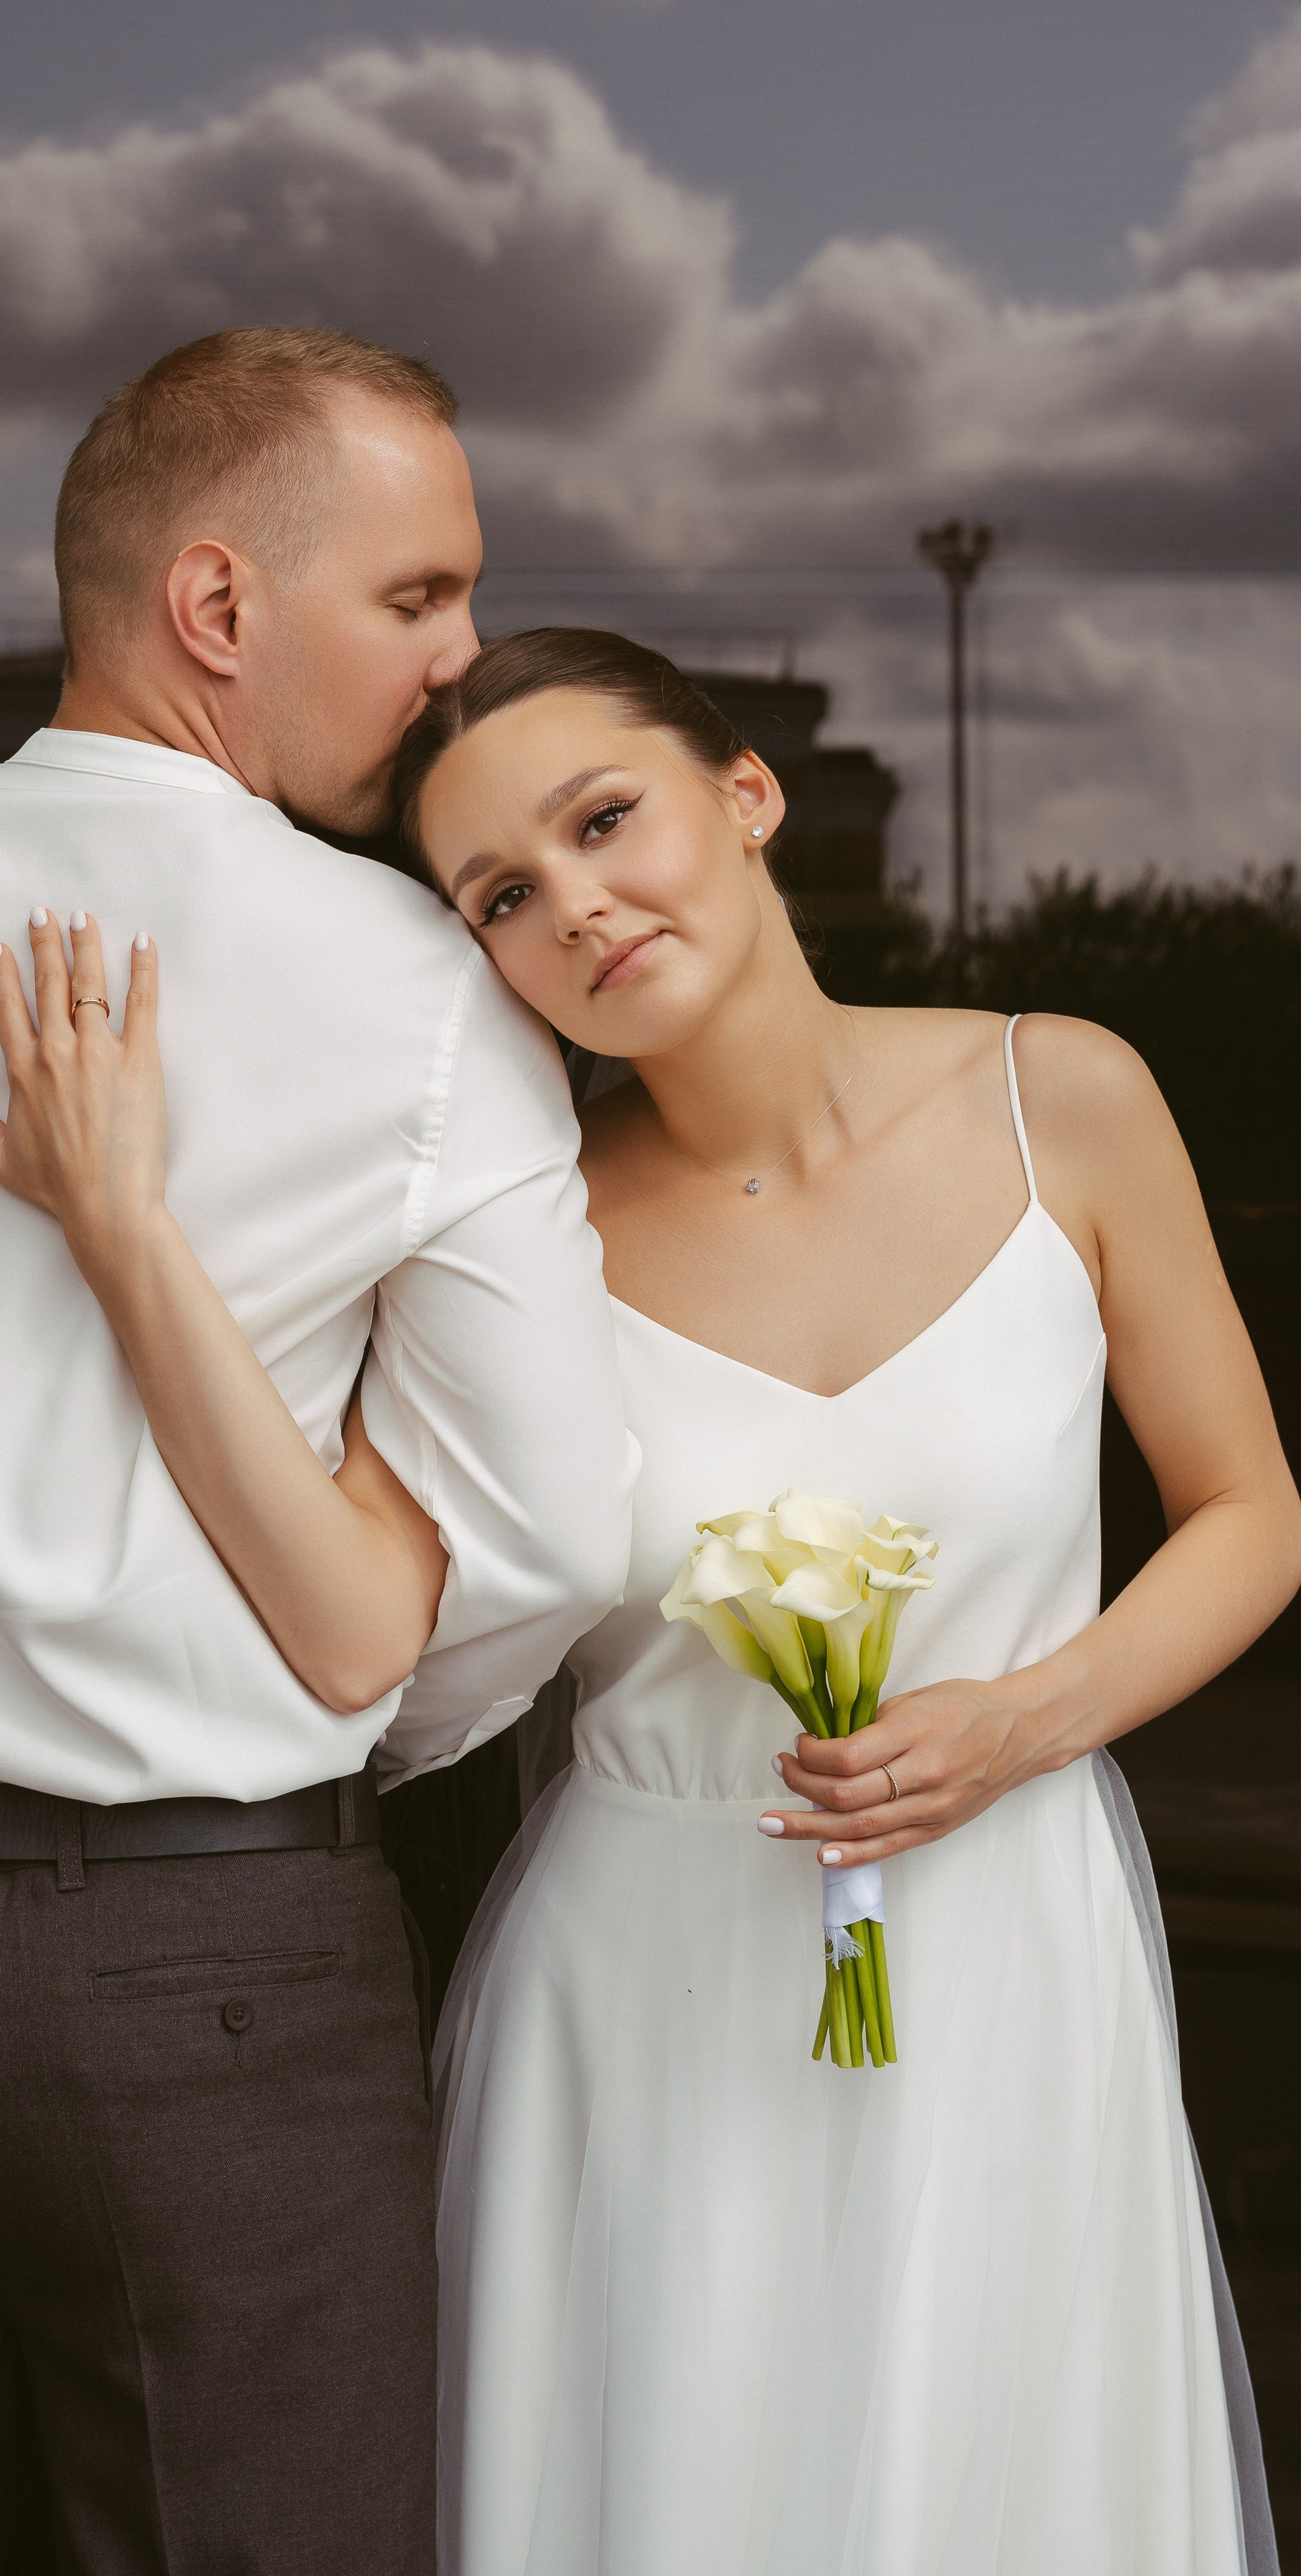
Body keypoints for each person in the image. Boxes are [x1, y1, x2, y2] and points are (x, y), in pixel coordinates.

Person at [0, 337, 634, 2575]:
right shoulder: (428, 985)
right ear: (221, 607)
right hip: (233, 1971)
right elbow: (541, 1540)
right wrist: (336, 1740)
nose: (458, 666)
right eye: (422, 595)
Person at [386, 629, 1299, 2575]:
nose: (578, 910)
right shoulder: (511, 1239)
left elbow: (1250, 1514)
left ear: (748, 793)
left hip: (1009, 1953)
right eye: (503, 896)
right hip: (644, 1989)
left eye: (605, 818)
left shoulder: (1066, 1096)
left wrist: (1025, 1721)